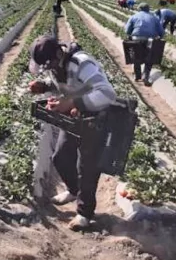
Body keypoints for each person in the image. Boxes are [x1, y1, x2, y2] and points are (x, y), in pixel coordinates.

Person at [28, 35, 117, 230]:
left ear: (59, 53)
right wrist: (45, 86)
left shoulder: (82, 63)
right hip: (75, 115)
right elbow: (66, 85)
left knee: (86, 166)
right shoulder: (56, 65)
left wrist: (73, 102)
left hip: (96, 117)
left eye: (49, 65)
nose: (49, 69)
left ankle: (84, 214)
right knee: (60, 157)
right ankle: (73, 190)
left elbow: (107, 94)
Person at [124, 3, 164, 86]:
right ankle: (146, 77)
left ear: (139, 8)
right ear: (148, 9)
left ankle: (137, 76)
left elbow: (127, 30)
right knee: (149, 57)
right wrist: (159, 37)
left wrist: (130, 35)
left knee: (136, 56)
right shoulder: (154, 17)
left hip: (136, 38)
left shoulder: (134, 16)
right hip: (150, 39)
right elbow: (161, 32)